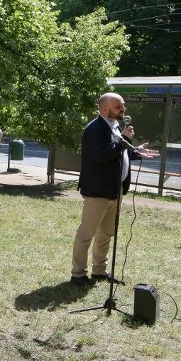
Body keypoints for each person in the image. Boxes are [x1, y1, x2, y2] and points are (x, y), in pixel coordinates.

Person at [71, 93, 159, 286]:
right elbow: (102, 155)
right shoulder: (94, 129)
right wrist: (124, 140)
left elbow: (118, 153)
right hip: (98, 190)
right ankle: (78, 274)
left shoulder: (115, 126)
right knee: (86, 234)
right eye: (119, 106)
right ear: (104, 109)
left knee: (106, 233)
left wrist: (136, 151)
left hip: (114, 188)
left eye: (123, 105)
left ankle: (100, 271)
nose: (123, 109)